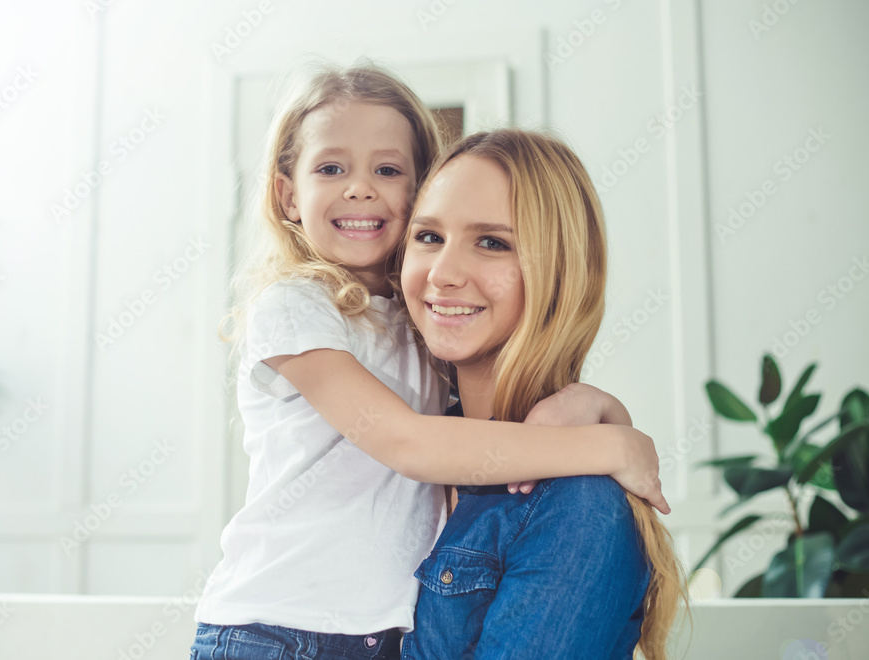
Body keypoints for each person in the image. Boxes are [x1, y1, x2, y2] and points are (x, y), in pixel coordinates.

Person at [190, 63, 668, 660]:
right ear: (286, 195)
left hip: (369, 634)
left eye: (387, 170)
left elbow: (464, 435)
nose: (359, 189)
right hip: (274, 630)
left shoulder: (409, 328)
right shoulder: (297, 307)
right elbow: (408, 442)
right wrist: (611, 444)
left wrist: (597, 405)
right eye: (331, 168)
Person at [397, 128, 686, 659]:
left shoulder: (579, 504)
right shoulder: (397, 446)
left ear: (559, 271)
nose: (443, 273)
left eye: (492, 243)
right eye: (429, 236)